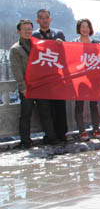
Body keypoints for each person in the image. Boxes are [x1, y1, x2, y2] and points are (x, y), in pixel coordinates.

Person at [10, 19, 57, 148]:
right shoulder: (16, 49)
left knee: (45, 112)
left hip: (40, 85)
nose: (27, 31)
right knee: (26, 114)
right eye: (24, 29)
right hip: (27, 86)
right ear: (19, 31)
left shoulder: (38, 45)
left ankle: (51, 137)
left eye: (29, 29)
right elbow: (16, 70)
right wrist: (22, 87)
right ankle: (25, 141)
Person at [32, 9, 68, 142]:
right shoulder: (34, 35)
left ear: (50, 19)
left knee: (60, 107)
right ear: (37, 20)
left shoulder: (58, 34)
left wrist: (61, 45)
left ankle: (62, 134)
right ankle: (50, 135)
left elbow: (67, 53)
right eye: (41, 18)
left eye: (46, 17)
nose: (44, 20)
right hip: (42, 78)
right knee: (45, 109)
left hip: (57, 77)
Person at [72, 19, 100, 140]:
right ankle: (82, 131)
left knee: (94, 105)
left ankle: (96, 130)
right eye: (82, 27)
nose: (85, 29)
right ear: (79, 29)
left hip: (94, 78)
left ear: (90, 29)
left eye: (87, 27)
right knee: (79, 105)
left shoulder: (96, 43)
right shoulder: (73, 44)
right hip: (79, 79)